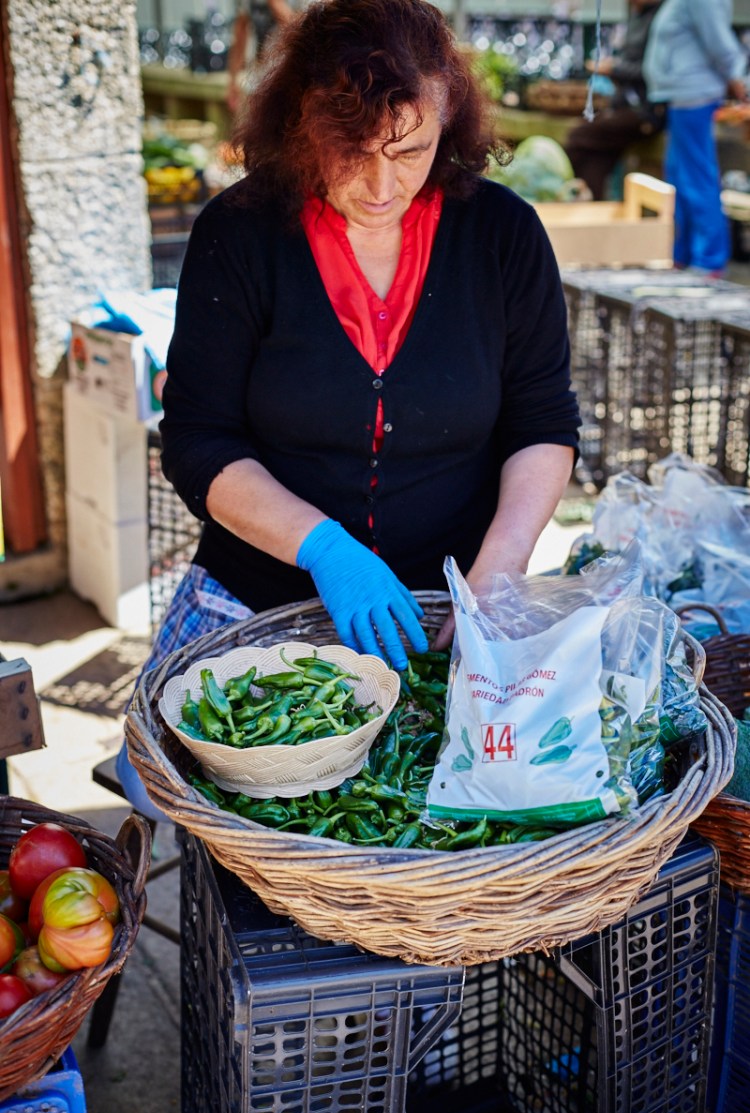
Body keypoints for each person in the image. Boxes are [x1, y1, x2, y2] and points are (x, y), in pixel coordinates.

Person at [118, 0, 580, 816]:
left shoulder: (503, 236)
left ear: (450, 122)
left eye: (409, 151)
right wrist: (324, 548)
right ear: (301, 127)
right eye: (352, 151)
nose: (380, 185)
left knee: (442, 802)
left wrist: (497, 572)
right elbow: (196, 438)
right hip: (256, 594)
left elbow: (542, 423)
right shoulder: (241, 232)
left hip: (443, 609)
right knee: (158, 788)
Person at [643, 0, 749, 274]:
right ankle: (685, 255)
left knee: (697, 178)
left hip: (695, 98)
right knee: (679, 178)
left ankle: (709, 260)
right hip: (680, 98)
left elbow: (720, 42)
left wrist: (741, 81)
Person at [564, 0, 665, 202]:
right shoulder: (637, 16)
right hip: (624, 106)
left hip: (646, 112)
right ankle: (592, 211)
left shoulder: (661, 18)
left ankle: (584, 204)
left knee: (579, 137)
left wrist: (613, 69)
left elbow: (653, 71)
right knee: (597, 155)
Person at [226, 0, 299, 115]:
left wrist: (275, 4)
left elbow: (299, 33)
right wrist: (232, 81)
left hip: (290, 80)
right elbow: (240, 36)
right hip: (259, 78)